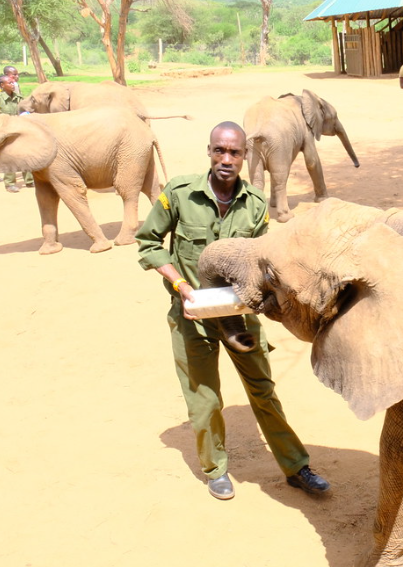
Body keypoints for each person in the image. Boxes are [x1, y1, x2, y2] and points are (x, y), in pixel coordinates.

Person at [136, 122, 330, 500]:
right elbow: (148, 244)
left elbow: (262, 262)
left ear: (245, 156)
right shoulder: (179, 193)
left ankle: (295, 467)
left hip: (239, 320)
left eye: (235, 153)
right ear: (209, 151)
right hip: (192, 317)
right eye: (220, 151)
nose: (227, 160)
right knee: (204, 397)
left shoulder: (256, 205)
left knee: (263, 391)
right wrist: (182, 286)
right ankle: (216, 470)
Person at [0, 75, 33, 192]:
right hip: (4, 133)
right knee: (8, 158)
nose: (13, 84)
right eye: (9, 83)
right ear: (2, 85)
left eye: (13, 83)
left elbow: (25, 111)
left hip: (18, 130)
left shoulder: (18, 98)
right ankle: (10, 184)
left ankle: (29, 181)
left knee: (24, 155)